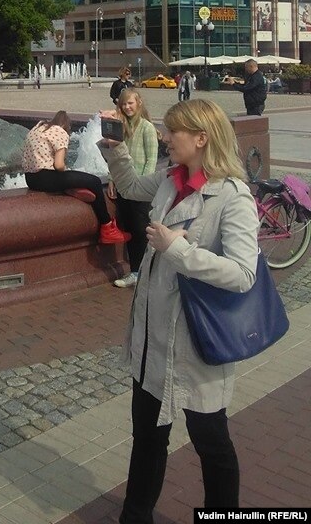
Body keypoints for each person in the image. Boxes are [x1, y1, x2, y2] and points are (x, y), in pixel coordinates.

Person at [99, 99, 258, 520]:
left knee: (211, 445)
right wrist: (115, 149)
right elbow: (131, 187)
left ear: (201, 138)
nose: (166, 137)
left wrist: (179, 250)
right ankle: (135, 516)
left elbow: (244, 273)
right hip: (152, 341)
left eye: (174, 131)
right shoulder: (171, 180)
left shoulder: (232, 196)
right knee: (147, 439)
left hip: (195, 346)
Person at [22, 110, 130, 245]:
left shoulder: (38, 127)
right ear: (66, 126)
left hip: (31, 179)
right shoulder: (59, 132)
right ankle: (107, 227)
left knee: (69, 179)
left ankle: (70, 189)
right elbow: (59, 165)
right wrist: (66, 170)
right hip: (46, 177)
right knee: (95, 181)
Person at [106, 90, 158, 289]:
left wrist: (143, 186)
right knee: (130, 229)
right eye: (123, 104)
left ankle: (143, 273)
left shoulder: (147, 127)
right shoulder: (122, 127)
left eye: (130, 103)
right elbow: (115, 156)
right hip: (123, 185)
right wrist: (112, 179)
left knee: (140, 230)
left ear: (139, 103)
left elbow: (151, 160)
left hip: (140, 187)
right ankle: (137, 272)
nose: (127, 107)